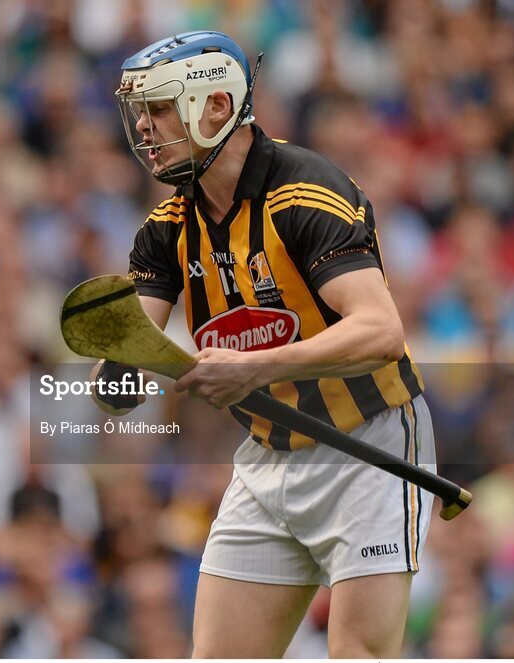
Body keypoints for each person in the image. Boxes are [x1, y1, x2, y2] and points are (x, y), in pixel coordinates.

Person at [105, 31, 436, 658]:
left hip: (369, 445)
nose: (143, 128)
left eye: (160, 110)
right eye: (140, 113)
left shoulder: (307, 194)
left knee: (359, 655)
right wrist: (115, 370)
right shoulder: (166, 228)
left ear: (217, 106)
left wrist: (253, 368)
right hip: (266, 456)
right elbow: (129, 362)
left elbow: (381, 331)